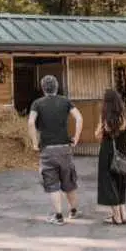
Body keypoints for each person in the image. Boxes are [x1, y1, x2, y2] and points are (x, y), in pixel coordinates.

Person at [28, 75, 83, 225]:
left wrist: (34, 142)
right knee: (69, 182)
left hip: (47, 150)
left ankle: (58, 216)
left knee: (53, 184)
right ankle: (73, 211)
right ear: (57, 87)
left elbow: (31, 122)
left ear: (43, 88)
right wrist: (76, 138)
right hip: (65, 148)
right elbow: (79, 118)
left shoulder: (37, 103)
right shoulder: (65, 101)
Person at [95, 89, 126, 225]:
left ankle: (116, 216)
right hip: (122, 150)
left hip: (108, 151)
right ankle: (124, 213)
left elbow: (98, 135)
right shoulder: (124, 115)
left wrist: (101, 129)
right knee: (121, 181)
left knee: (108, 182)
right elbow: (125, 133)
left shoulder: (105, 116)